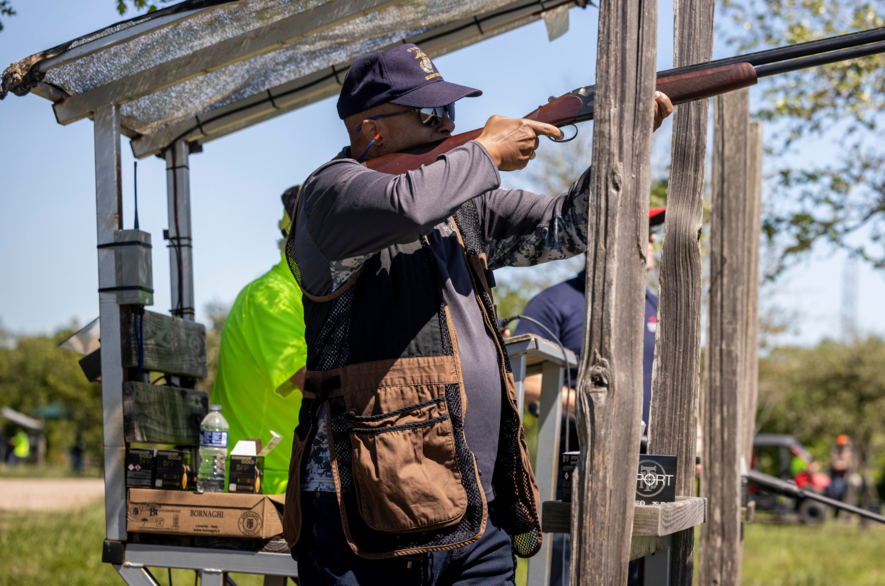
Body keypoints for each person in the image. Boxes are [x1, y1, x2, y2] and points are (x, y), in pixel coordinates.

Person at [282, 41, 672, 586]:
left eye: (448, 109)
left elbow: (572, 226)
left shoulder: (461, 203)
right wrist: (485, 152)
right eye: (427, 113)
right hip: (366, 507)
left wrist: (626, 146)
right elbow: (406, 206)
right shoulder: (331, 193)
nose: (446, 123)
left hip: (475, 503)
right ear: (369, 130)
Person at [512, 208, 666, 586]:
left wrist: (694, 437)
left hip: (649, 470)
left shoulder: (655, 307)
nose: (652, 239)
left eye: (653, 232)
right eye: (643, 230)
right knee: (570, 570)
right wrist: (601, 410)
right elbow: (519, 380)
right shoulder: (554, 303)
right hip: (573, 470)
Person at [210, 186, 306, 495]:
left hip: (291, 477)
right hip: (263, 483)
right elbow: (313, 382)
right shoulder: (271, 297)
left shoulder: (303, 298)